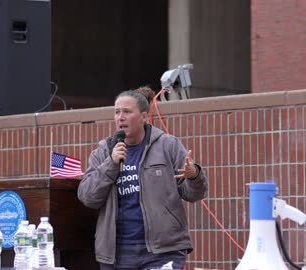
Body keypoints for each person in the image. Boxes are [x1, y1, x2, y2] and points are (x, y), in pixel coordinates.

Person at [77, 87, 208, 270]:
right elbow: (88, 197)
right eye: (117, 112)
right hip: (118, 254)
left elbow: (194, 194)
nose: (120, 117)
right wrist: (111, 164)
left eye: (127, 112)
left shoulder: (167, 146)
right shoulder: (103, 152)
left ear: (144, 117)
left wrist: (193, 175)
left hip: (163, 251)